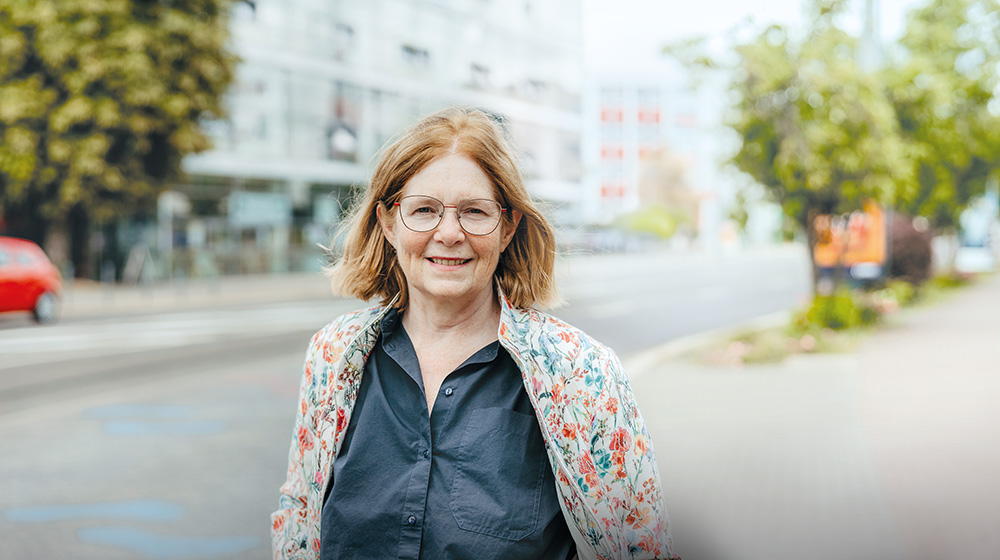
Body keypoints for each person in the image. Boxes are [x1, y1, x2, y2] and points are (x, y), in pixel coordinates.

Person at [271, 107, 678, 560]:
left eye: (474, 212)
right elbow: (298, 522)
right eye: (424, 210)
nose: (449, 233)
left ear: (507, 227)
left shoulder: (581, 373)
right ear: (388, 223)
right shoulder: (334, 357)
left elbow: (641, 545)